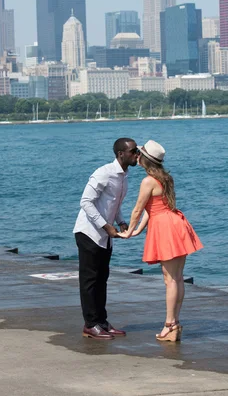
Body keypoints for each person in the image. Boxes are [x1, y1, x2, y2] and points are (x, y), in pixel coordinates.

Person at [118, 140, 203, 342]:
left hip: (166, 228)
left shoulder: (147, 181)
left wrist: (129, 231)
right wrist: (138, 230)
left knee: (170, 280)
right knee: (177, 278)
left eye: (139, 153)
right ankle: (174, 324)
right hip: (176, 223)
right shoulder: (165, 178)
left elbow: (138, 209)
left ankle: (170, 324)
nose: (136, 156)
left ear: (145, 159)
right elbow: (153, 208)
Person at [73, 137, 138, 340]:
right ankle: (90, 324)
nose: (137, 154)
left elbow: (113, 204)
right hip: (89, 233)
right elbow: (86, 202)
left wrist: (120, 222)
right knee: (90, 281)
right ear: (121, 154)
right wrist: (106, 225)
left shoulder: (123, 176)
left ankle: (101, 321)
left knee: (102, 279)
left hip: (105, 235)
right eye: (133, 151)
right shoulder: (104, 173)